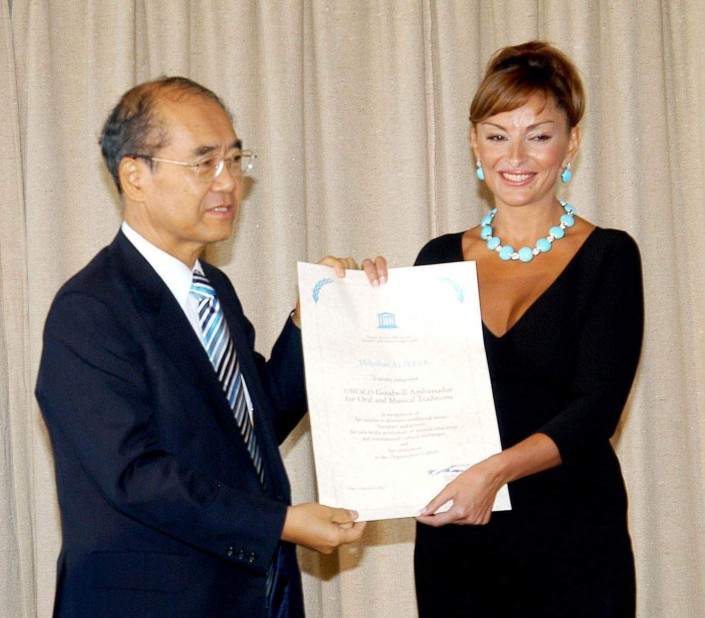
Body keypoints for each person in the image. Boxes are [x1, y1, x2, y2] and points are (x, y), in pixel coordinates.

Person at [35, 76, 387, 618]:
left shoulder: (212, 288)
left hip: (247, 595)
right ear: (135, 176)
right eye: (204, 163)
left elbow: (253, 424)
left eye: (235, 160)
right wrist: (281, 523)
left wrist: (308, 321)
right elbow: (135, 476)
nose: (229, 183)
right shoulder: (90, 310)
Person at [413, 41, 643, 617]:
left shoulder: (608, 256)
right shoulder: (437, 259)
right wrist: (358, 301)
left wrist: (492, 474)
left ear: (572, 143)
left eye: (538, 136)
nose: (515, 156)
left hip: (572, 535)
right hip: (459, 537)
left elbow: (596, 410)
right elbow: (409, 392)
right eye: (497, 135)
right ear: (474, 141)